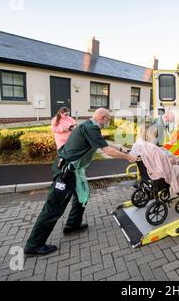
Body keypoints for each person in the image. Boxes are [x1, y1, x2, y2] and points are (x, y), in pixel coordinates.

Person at [24, 108, 136, 255]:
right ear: (102, 118)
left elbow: (105, 143)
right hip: (65, 172)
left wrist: (125, 150)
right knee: (53, 208)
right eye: (108, 119)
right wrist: (129, 158)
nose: (108, 122)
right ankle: (34, 245)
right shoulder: (91, 128)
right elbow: (107, 150)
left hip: (71, 170)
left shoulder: (89, 126)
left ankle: (72, 225)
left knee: (81, 195)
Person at [130, 124, 179, 197]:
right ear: (151, 134)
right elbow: (166, 163)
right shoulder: (153, 148)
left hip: (146, 174)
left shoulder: (137, 145)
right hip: (159, 174)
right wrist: (175, 159)